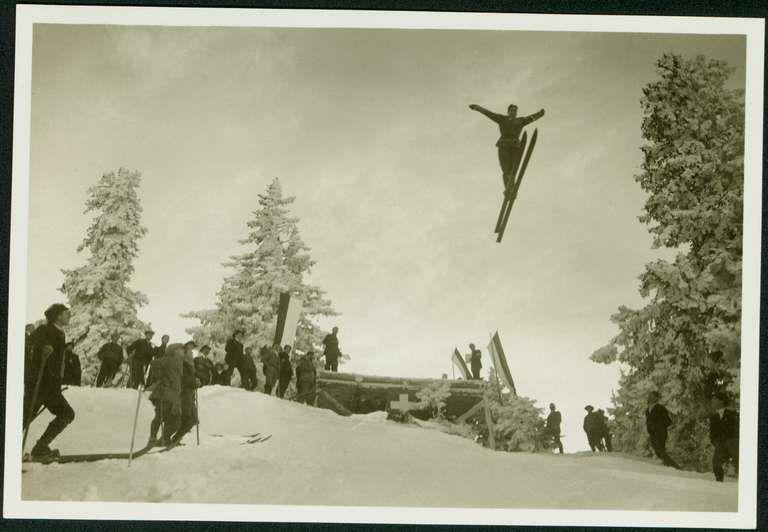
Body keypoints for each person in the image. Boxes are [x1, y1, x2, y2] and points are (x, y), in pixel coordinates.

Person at [24, 304, 76, 460]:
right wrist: (42, 349)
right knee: (24, 417)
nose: (69, 316)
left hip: (51, 386)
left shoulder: (61, 334)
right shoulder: (43, 329)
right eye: (66, 313)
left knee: (67, 414)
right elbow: (29, 346)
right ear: (57, 315)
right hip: (38, 385)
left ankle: (41, 447)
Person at [469, 103, 545, 183]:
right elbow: (489, 113)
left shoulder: (520, 120)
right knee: (505, 169)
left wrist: (540, 114)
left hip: (515, 146)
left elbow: (531, 118)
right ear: (508, 112)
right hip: (503, 146)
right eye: (512, 110)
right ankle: (507, 186)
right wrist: (477, 107)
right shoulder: (502, 119)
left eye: (515, 111)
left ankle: (511, 181)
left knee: (513, 169)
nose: (514, 112)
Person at [147, 343, 183, 446]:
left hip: (174, 396)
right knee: (159, 416)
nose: (183, 351)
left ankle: (165, 438)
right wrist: (162, 378)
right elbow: (154, 363)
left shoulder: (179, 362)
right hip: (164, 393)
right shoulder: (167, 359)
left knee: (176, 421)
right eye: (181, 349)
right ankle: (152, 438)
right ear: (174, 350)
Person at [172, 341, 200, 443]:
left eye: (192, 350)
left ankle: (176, 438)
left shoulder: (191, 365)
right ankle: (173, 438)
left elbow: (191, 378)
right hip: (184, 393)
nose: (191, 353)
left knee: (192, 419)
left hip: (190, 393)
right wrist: (194, 382)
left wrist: (196, 381)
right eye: (189, 351)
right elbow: (183, 379)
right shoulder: (182, 364)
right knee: (187, 419)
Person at [645, 391, 681, 469]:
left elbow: (668, 421)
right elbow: (648, 421)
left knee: (660, 450)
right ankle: (669, 465)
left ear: (656, 398)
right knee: (658, 451)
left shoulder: (660, 408)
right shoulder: (647, 409)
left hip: (660, 433)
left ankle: (674, 467)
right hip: (652, 433)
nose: (650, 397)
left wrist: (659, 427)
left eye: (652, 396)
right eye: (649, 395)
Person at [708, 393, 739, 482]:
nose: (712, 401)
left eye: (715, 399)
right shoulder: (714, 417)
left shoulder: (733, 414)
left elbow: (738, 429)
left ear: (721, 401)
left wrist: (733, 441)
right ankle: (719, 484)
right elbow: (712, 434)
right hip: (721, 445)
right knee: (716, 464)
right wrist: (717, 443)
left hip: (733, 443)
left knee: (739, 464)